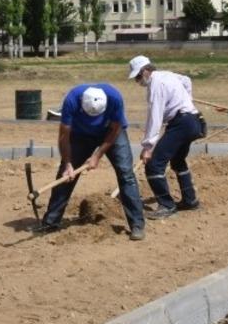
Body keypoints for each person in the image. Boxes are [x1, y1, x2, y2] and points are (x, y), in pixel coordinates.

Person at [34, 83, 146, 241]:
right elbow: (64, 135)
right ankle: (51, 221)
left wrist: (97, 155)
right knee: (66, 176)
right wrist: (68, 163)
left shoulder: (115, 98)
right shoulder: (72, 100)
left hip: (111, 133)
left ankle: (137, 224)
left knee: (125, 173)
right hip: (81, 135)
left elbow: (115, 129)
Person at [128, 54, 202, 218]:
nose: (138, 81)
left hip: (181, 123)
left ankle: (167, 206)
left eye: (139, 76)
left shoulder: (156, 85)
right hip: (192, 120)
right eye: (135, 78)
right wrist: (187, 99)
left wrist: (148, 147)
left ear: (147, 70)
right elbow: (186, 80)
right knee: (177, 161)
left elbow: (155, 117)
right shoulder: (166, 75)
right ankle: (190, 201)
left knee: (154, 164)